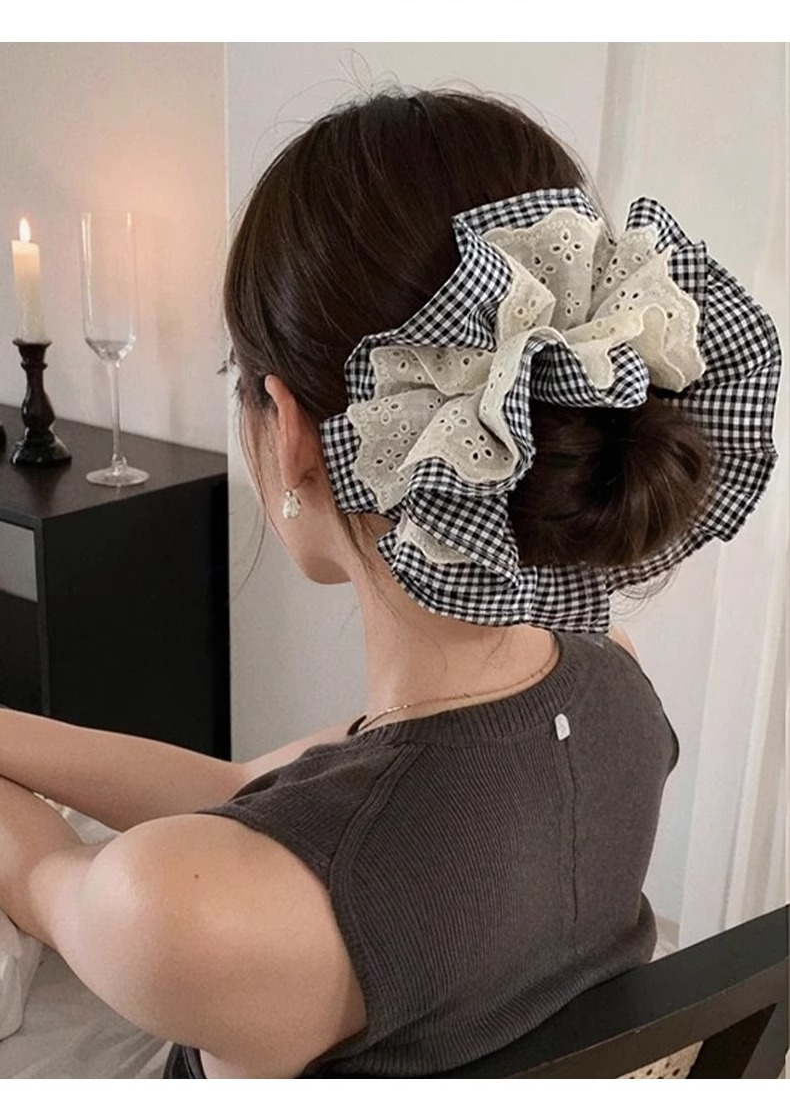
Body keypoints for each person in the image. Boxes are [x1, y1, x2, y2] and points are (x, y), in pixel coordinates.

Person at [0, 90, 780, 1079]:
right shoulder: (614, 682)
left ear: (290, 430)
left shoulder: (183, 910)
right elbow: (250, 794)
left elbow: (46, 873)